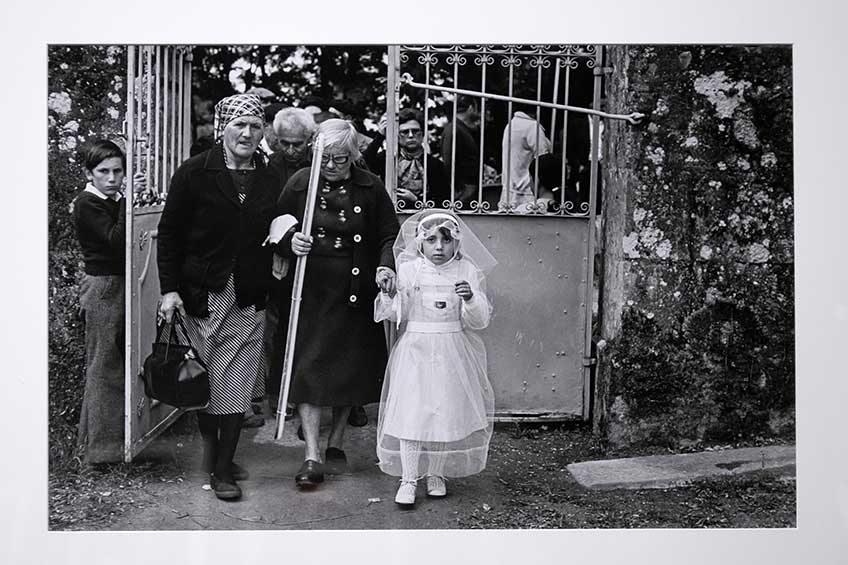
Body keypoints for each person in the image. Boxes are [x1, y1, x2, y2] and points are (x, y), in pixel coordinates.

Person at [157, 93, 279, 501]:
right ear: (221, 128)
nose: (247, 133)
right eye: (238, 125)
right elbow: (170, 234)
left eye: (255, 126)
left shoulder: (270, 174)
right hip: (203, 292)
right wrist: (170, 289)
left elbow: (284, 221)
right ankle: (215, 455)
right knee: (206, 383)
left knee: (236, 384)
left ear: (263, 131)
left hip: (248, 291)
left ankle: (223, 468)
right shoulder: (194, 172)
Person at [274, 118, 400, 488]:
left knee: (349, 369)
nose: (331, 166)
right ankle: (311, 455)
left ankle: (336, 444)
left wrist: (385, 266)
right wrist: (290, 242)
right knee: (309, 370)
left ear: (353, 156)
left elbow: (388, 232)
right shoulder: (300, 183)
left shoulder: (370, 186)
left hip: (355, 288)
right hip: (310, 291)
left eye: (340, 159)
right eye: (325, 158)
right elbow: (276, 225)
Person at [374, 209, 497, 506]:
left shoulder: (466, 270)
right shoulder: (410, 270)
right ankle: (408, 478)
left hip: (451, 347)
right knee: (412, 410)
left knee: (443, 409)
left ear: (457, 243)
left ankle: (436, 474)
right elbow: (392, 313)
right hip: (416, 347)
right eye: (431, 240)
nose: (439, 247)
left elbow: (479, 320)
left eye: (446, 240)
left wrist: (469, 298)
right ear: (420, 243)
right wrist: (390, 293)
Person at [71, 140, 145, 465]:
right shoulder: (87, 203)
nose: (113, 177)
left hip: (118, 283)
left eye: (118, 171)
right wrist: (130, 203)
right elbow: (117, 242)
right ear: (90, 173)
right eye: (104, 172)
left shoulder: (112, 199)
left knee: (112, 363)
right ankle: (99, 452)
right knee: (103, 366)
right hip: (102, 286)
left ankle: (101, 446)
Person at [362, 108, 450, 209]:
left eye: (415, 131)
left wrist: (416, 200)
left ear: (422, 134)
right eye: (405, 132)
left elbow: (443, 201)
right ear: (397, 135)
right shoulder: (388, 159)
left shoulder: (434, 164)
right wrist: (380, 136)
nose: (411, 135)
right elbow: (363, 165)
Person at [500, 105, 552, 211]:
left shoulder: (511, 125)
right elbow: (544, 160)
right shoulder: (532, 127)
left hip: (510, 189)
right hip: (527, 191)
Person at [440, 95, 482, 206]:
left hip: (466, 189)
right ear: (471, 108)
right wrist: (458, 188)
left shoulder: (460, 128)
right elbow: (448, 161)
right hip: (463, 191)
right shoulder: (455, 129)